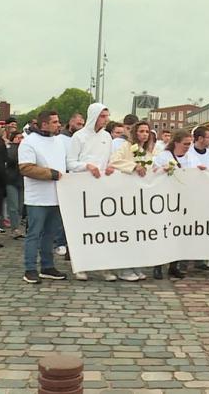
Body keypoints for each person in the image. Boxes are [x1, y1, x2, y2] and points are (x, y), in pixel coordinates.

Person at [67, 103, 117, 282]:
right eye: (103, 116)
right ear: (94, 116)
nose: (106, 119)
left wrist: (110, 167)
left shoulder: (107, 137)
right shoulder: (78, 137)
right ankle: (80, 265)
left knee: (103, 229)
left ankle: (104, 267)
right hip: (82, 188)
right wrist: (86, 166)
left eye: (107, 116)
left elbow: (109, 159)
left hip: (102, 189)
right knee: (82, 229)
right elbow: (70, 163)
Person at [18, 110, 68, 284]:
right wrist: (51, 174)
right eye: (54, 122)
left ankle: (47, 266)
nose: (58, 124)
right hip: (37, 197)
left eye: (58, 121)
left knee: (50, 233)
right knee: (34, 233)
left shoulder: (60, 141)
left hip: (56, 195)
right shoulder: (29, 142)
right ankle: (30, 268)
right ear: (44, 124)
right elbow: (26, 168)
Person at [153, 129, 206, 279]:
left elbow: (197, 174)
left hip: (185, 200)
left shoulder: (192, 157)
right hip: (166, 200)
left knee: (178, 234)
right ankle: (158, 266)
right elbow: (153, 172)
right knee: (163, 234)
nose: (188, 146)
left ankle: (173, 266)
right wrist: (163, 169)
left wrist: (201, 170)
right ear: (176, 143)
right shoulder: (164, 156)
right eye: (185, 144)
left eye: (189, 144)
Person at [110, 121, 156, 282]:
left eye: (147, 131)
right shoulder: (126, 147)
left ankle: (137, 264)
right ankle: (124, 268)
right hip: (127, 192)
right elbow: (114, 161)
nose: (144, 134)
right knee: (127, 231)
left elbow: (152, 166)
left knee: (139, 232)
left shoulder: (148, 150)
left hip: (142, 195)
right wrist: (134, 166)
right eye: (141, 131)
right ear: (135, 132)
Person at [6, 131, 25, 238]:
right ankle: (15, 228)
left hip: (21, 180)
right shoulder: (9, 148)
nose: (20, 139)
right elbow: (11, 159)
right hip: (11, 180)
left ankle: (17, 226)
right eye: (17, 137)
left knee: (20, 206)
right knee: (13, 206)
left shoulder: (25, 148)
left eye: (21, 137)